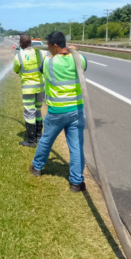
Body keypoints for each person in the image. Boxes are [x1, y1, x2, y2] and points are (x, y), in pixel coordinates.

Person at [29, 31, 88, 193]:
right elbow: (84, 63)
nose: (48, 49)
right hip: (76, 110)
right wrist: (72, 51)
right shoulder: (78, 58)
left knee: (46, 140)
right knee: (76, 146)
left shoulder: (48, 62)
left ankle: (37, 167)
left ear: (55, 46)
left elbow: (41, 68)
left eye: (49, 45)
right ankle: (76, 182)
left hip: (57, 111)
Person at [13, 34, 45, 147]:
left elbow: (16, 70)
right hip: (40, 87)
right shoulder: (39, 52)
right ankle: (38, 137)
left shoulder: (19, 56)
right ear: (30, 42)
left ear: (21, 44)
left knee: (29, 113)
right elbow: (44, 65)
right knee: (38, 110)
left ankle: (31, 141)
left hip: (28, 89)